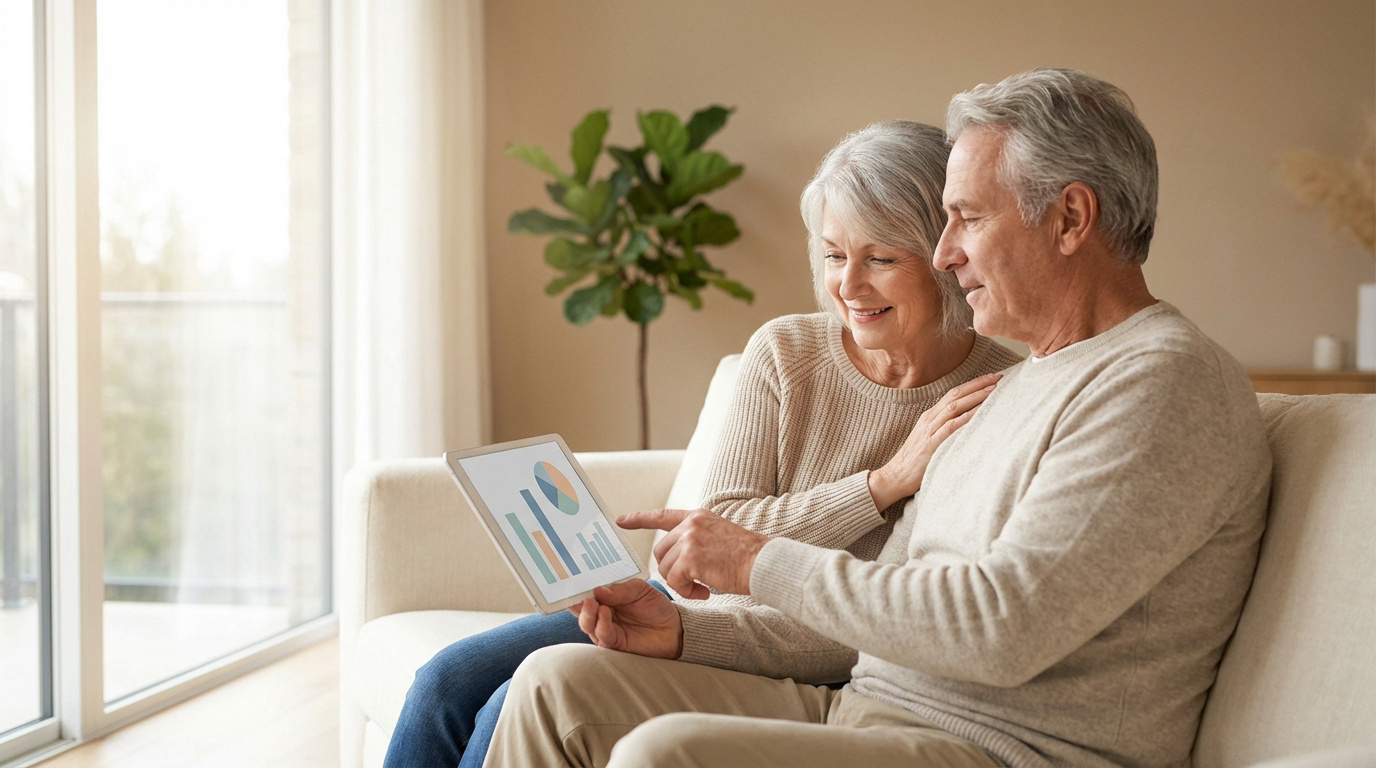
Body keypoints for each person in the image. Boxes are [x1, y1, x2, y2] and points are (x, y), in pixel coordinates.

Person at [486, 68, 1273, 768]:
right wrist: (690, 632)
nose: (944, 254)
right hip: (870, 712)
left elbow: (999, 626)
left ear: (1070, 219)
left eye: (966, 217)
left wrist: (758, 560)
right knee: (560, 683)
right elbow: (886, 610)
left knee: (668, 753)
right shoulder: (1020, 380)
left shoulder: (1161, 384)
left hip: (1001, 748)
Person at [381, 120, 1022, 768]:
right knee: (445, 684)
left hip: (792, 648)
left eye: (880, 258)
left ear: (945, 254)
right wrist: (882, 484)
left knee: (507, 706)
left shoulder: (993, 395)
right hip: (685, 604)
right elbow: (718, 527)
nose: (848, 286)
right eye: (833, 255)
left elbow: (899, 611)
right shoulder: (786, 351)